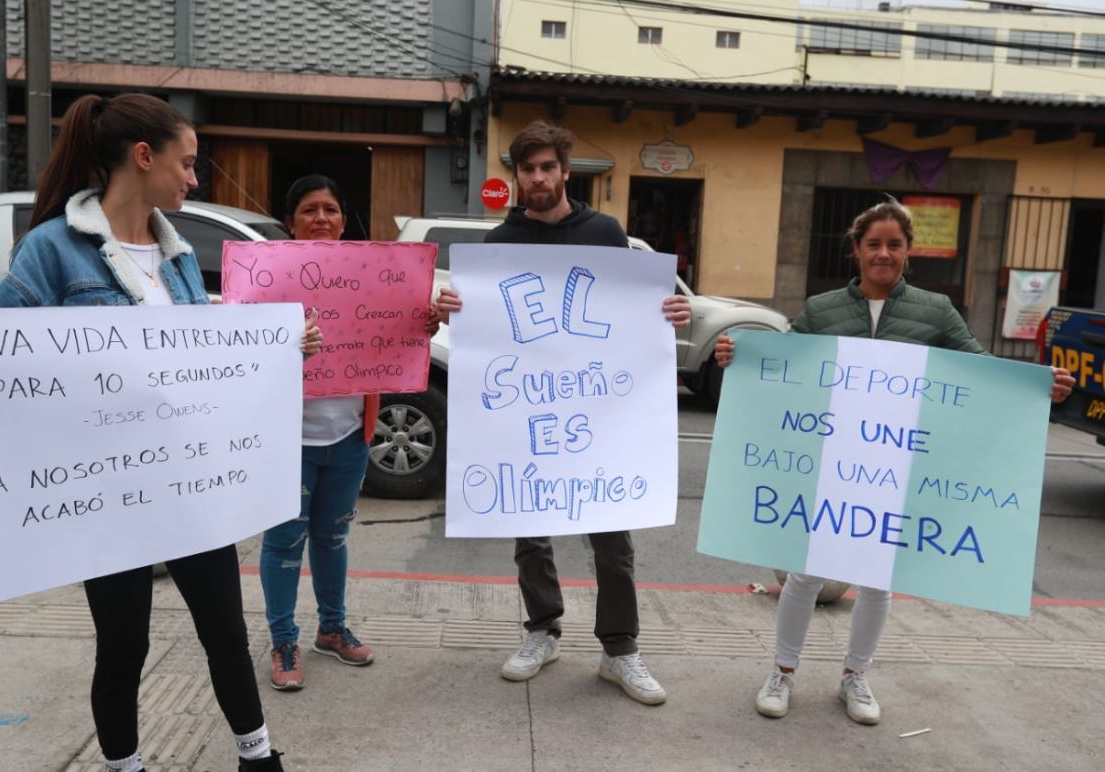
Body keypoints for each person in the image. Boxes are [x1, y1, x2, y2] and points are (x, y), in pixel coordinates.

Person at [0, 94, 290, 771]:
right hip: (110, 497)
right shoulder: (51, 251)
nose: (194, 178)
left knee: (226, 633)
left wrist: (276, 350)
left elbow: (197, 365)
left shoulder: (178, 255)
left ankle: (258, 756)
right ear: (143, 157)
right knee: (123, 647)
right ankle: (124, 766)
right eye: (186, 163)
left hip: (189, 486)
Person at [713, 198, 1075, 726]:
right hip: (832, 460)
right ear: (857, 250)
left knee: (878, 580)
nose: (883, 254)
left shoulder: (936, 311)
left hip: (898, 465)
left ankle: (855, 677)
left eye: (895, 245)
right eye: (873, 244)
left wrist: (1038, 384)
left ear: (909, 252)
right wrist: (737, 357)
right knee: (806, 572)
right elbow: (784, 368)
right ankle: (782, 672)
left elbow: (978, 369)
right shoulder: (821, 309)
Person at [435, 120, 691, 706]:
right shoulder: (499, 245)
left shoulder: (604, 232)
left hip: (598, 413)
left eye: (548, 167)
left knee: (612, 532)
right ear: (518, 177)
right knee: (531, 528)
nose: (538, 178)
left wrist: (671, 310)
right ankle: (542, 629)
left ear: (566, 172)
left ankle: (620, 649)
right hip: (527, 414)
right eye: (528, 169)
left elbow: (636, 308)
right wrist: (455, 308)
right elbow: (482, 323)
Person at [258, 175, 440, 692]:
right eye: (310, 209)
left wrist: (421, 325)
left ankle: (332, 630)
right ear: (290, 222)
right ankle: (283, 640)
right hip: (287, 439)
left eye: (332, 209)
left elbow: (398, 328)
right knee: (284, 541)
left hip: (349, 436)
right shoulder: (267, 279)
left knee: (333, 536)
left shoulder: (372, 275)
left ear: (344, 219)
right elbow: (242, 346)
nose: (322, 218)